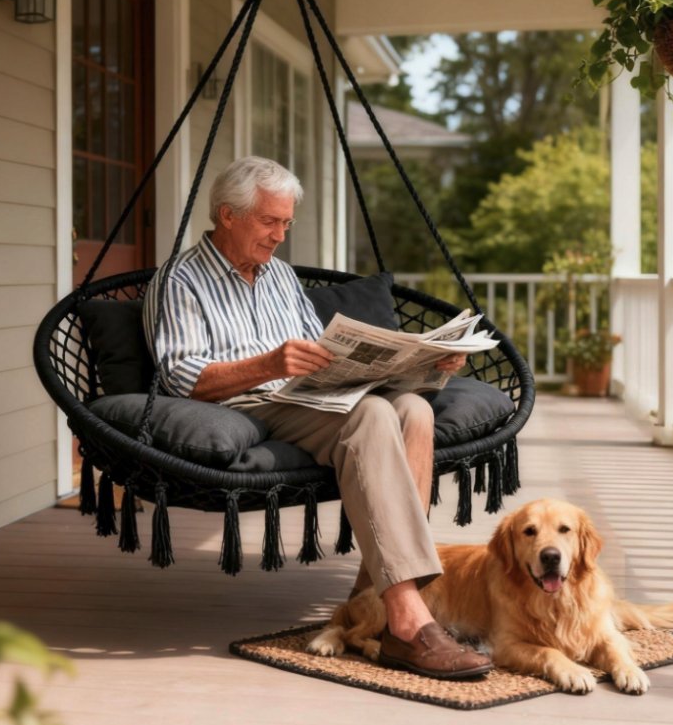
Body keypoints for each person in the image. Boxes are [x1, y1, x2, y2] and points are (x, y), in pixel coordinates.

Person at [143, 156, 492, 680]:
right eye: (269, 221)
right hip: (248, 403)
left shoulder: (281, 277)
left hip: (311, 397)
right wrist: (268, 364)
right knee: (373, 414)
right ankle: (408, 624)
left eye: (286, 223)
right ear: (228, 215)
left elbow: (323, 355)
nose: (280, 236)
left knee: (414, 409)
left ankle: (378, 602)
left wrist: (426, 363)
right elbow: (178, 376)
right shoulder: (180, 280)